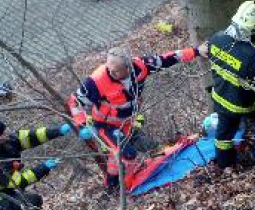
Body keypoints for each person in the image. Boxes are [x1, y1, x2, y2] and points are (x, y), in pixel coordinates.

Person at [69, 45, 207, 188]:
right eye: (109, 68)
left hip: (128, 122)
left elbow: (167, 58)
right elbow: (75, 101)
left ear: (128, 68)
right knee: (129, 154)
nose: (111, 72)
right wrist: (81, 123)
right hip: (105, 125)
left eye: (116, 71)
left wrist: (196, 51)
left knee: (122, 154)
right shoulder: (96, 81)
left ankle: (111, 183)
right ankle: (129, 186)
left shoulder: (141, 67)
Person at [207, 0, 255, 167]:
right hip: (243, 104)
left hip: (220, 97)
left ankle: (224, 165)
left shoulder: (216, 39)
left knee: (223, 135)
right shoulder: (251, 55)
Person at [0, 119, 73, 210]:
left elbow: (34, 136)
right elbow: (18, 182)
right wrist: (43, 167)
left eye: (3, 132)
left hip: (8, 192)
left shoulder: (7, 141)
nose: (5, 135)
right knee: (31, 200)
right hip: (3, 199)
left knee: (28, 201)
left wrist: (59, 131)